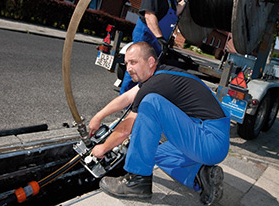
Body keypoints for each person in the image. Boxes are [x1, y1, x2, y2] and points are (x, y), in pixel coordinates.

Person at [89, 41, 230, 205]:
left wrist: (103, 148)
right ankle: (202, 175)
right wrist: (98, 116)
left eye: (133, 62)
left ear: (150, 62)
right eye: (126, 63)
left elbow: (127, 127)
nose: (128, 68)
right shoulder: (160, 76)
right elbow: (127, 97)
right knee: (155, 153)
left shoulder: (156, 84)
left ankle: (136, 181)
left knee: (151, 103)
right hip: (207, 138)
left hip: (210, 140)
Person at [120, 0, 188, 94]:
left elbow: (175, 11)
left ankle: (138, 98)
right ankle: (125, 100)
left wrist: (185, 0)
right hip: (146, 37)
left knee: (148, 71)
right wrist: (160, 38)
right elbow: (149, 16)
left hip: (156, 40)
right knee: (136, 68)